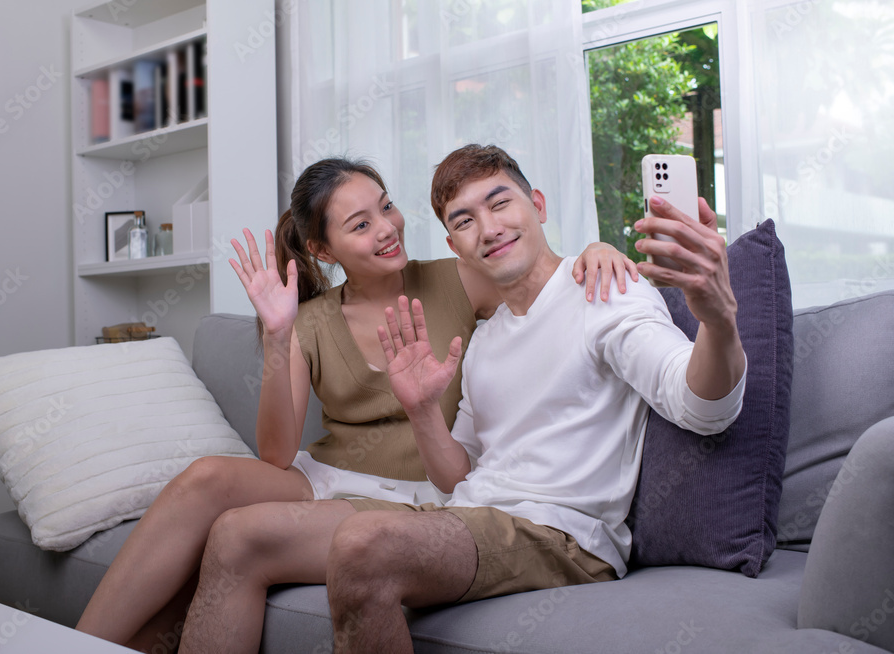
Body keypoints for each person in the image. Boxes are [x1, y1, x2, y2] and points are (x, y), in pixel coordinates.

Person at [176, 144, 747, 654]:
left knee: (362, 543)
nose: (489, 228)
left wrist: (718, 321)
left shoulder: (605, 290)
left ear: (538, 205)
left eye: (500, 204)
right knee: (235, 535)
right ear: (454, 245)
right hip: (469, 514)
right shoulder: (486, 336)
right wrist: (424, 411)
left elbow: (702, 406)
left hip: (562, 536)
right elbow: (455, 475)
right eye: (465, 220)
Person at [75, 157, 636, 651]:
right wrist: (276, 336)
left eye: (386, 208)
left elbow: (539, 273)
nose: (388, 229)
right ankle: (72, 646)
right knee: (204, 480)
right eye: (361, 225)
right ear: (322, 249)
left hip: (423, 493)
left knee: (235, 537)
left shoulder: (462, 279)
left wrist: (598, 248)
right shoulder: (310, 319)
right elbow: (274, 454)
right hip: (327, 478)